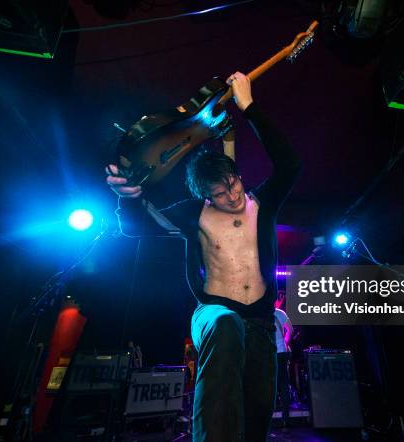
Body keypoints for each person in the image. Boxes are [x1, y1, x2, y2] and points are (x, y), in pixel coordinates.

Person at [106, 71, 301, 441]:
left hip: (259, 322)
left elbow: (290, 165)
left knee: (257, 415)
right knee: (226, 323)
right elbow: (138, 226)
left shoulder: (261, 204)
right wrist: (127, 197)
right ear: (206, 196)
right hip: (212, 313)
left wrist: (250, 108)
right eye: (222, 194)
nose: (233, 196)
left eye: (235, 184)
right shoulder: (193, 215)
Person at [273, 291, 293, 429]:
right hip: (282, 352)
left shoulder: (263, 315)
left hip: (270, 354)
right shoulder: (280, 313)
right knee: (284, 385)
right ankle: (286, 419)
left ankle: (270, 415)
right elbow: (290, 330)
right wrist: (285, 341)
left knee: (270, 384)